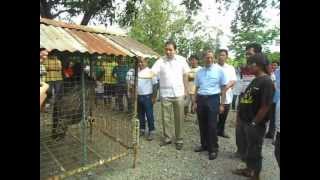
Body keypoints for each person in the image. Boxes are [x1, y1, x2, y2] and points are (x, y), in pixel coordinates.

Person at [232, 53, 274, 180]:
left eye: (250, 64)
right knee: (248, 148)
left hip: (255, 124)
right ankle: (248, 170)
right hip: (246, 121)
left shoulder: (266, 81)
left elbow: (265, 106)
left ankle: (256, 176)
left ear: (257, 65)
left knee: (255, 150)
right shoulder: (255, 79)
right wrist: (239, 117)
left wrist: (255, 123)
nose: (247, 66)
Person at [150, 40, 190, 150]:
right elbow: (153, 72)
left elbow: (186, 75)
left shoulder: (181, 60)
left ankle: (179, 139)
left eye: (170, 50)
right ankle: (167, 138)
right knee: (166, 118)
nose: (168, 52)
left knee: (179, 118)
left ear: (175, 50)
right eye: (166, 49)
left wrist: (186, 90)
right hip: (165, 94)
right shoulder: (160, 61)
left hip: (179, 93)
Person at [192, 50, 227, 160]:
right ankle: (204, 145)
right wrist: (194, 102)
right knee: (202, 124)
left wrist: (222, 104)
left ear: (214, 58)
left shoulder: (219, 70)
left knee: (212, 126)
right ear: (203, 59)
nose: (209, 59)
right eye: (207, 57)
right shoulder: (199, 72)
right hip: (201, 99)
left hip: (213, 99)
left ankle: (213, 149)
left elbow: (223, 88)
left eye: (211, 57)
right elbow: (196, 88)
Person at [234, 43, 262, 160]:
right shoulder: (244, 68)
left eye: (249, 54)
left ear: (258, 54)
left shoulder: (263, 70)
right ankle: (241, 152)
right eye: (246, 54)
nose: (247, 56)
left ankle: (253, 159)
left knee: (252, 134)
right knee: (239, 130)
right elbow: (240, 86)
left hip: (255, 107)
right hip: (243, 102)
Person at [216, 49, 237, 138]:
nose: (221, 57)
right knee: (214, 115)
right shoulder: (214, 67)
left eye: (223, 55)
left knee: (223, 115)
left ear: (227, 57)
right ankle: (213, 131)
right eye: (220, 55)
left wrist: (225, 88)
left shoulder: (230, 68)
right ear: (217, 56)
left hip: (227, 95)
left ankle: (221, 131)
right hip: (215, 94)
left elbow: (233, 80)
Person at [137, 57, 158, 141]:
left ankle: (151, 131)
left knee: (149, 115)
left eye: (142, 62)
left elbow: (155, 85)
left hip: (148, 97)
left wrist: (154, 97)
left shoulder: (151, 72)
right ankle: (142, 130)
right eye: (139, 62)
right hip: (139, 96)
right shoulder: (137, 71)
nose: (140, 64)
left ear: (146, 62)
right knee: (140, 114)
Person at [43, 54, 64, 140]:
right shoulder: (46, 60)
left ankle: (55, 102)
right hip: (49, 79)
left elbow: (59, 68)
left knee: (58, 95)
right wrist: (52, 68)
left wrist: (50, 68)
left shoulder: (58, 61)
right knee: (48, 92)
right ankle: (47, 103)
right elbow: (45, 68)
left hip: (58, 79)